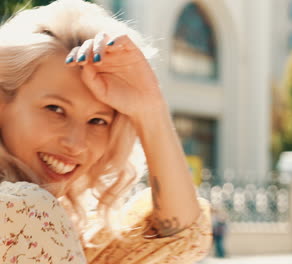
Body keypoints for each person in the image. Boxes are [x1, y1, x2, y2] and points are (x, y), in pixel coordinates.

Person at [0, 0, 212, 263]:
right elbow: (184, 240)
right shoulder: (24, 213)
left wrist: (150, 108)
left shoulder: (59, 225)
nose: (76, 144)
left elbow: (180, 237)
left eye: (98, 121)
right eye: (55, 108)